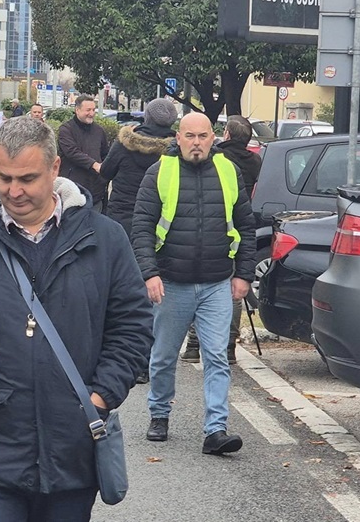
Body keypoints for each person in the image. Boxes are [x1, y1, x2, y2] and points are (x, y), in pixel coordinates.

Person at [0, 117, 152, 521]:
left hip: (71, 452)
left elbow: (133, 327)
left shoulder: (105, 239)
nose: (14, 191)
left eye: (27, 178)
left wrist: (101, 396)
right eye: (4, 178)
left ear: (55, 168)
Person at [132, 113, 254, 454]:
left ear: (213, 137)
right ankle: (159, 413)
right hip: (172, 282)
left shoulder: (229, 171)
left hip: (217, 282)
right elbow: (141, 226)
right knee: (163, 356)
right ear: (178, 138)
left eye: (202, 136)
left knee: (216, 356)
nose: (196, 142)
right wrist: (149, 273)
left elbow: (245, 224)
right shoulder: (160, 172)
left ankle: (216, 429)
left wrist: (244, 274)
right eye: (190, 136)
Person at [181, 114, 263, 366]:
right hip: (237, 224)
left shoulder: (220, 159)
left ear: (226, 134)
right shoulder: (255, 161)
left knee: (200, 286)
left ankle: (194, 344)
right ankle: (229, 346)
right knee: (233, 292)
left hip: (214, 225)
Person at [100, 97, 177, 238]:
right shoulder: (176, 150)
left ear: (147, 117)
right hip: (159, 219)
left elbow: (105, 171)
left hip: (121, 214)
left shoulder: (124, 142)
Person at [56, 94, 110, 213]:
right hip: (73, 190)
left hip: (96, 191)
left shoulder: (99, 131)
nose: (91, 113)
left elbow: (105, 154)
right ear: (77, 110)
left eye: (93, 110)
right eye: (88, 110)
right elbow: (72, 152)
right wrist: (94, 165)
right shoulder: (66, 130)